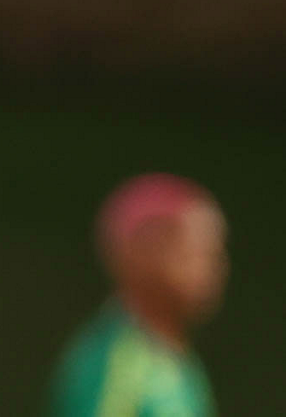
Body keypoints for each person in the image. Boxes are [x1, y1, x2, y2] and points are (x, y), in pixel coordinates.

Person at [50, 173, 227, 416]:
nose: (211, 269)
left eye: (214, 254)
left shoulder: (177, 360)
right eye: (193, 253)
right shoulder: (118, 365)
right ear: (141, 253)